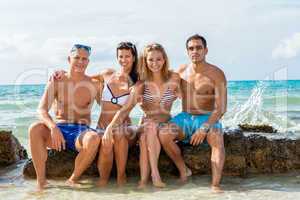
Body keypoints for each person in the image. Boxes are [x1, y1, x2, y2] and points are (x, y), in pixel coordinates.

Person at [52, 42, 139, 187]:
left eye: (127, 56)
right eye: (120, 56)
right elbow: (79, 77)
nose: (123, 60)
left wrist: (110, 128)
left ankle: (121, 177)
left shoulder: (137, 83)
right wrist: (60, 72)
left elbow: (124, 111)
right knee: (104, 142)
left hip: (122, 128)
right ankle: (103, 183)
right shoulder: (107, 74)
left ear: (134, 58)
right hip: (101, 127)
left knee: (116, 134)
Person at [103, 43, 183, 188]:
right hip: (148, 125)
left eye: (158, 59)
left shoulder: (174, 78)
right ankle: (151, 177)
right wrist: (110, 127)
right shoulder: (141, 84)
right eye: (150, 60)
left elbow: (191, 99)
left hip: (166, 124)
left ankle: (146, 179)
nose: (155, 63)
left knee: (148, 131)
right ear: (145, 61)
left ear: (164, 59)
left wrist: (181, 95)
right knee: (148, 128)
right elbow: (125, 109)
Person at [28, 44, 102, 190]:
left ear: (88, 61)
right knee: (34, 128)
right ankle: (41, 182)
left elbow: (109, 107)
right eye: (77, 58)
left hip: (81, 131)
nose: (81, 62)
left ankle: (72, 179)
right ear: (69, 59)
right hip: (59, 129)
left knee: (93, 138)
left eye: (84, 59)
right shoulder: (57, 81)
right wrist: (53, 127)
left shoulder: (95, 84)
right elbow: (41, 109)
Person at [158, 34, 227, 191]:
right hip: (185, 117)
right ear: (187, 52)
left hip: (208, 117)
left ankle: (215, 184)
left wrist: (204, 128)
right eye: (191, 48)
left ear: (206, 50)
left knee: (217, 138)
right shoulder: (181, 71)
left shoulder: (217, 73)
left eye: (198, 48)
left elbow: (221, 108)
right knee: (164, 134)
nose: (195, 51)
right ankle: (184, 170)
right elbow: (165, 92)